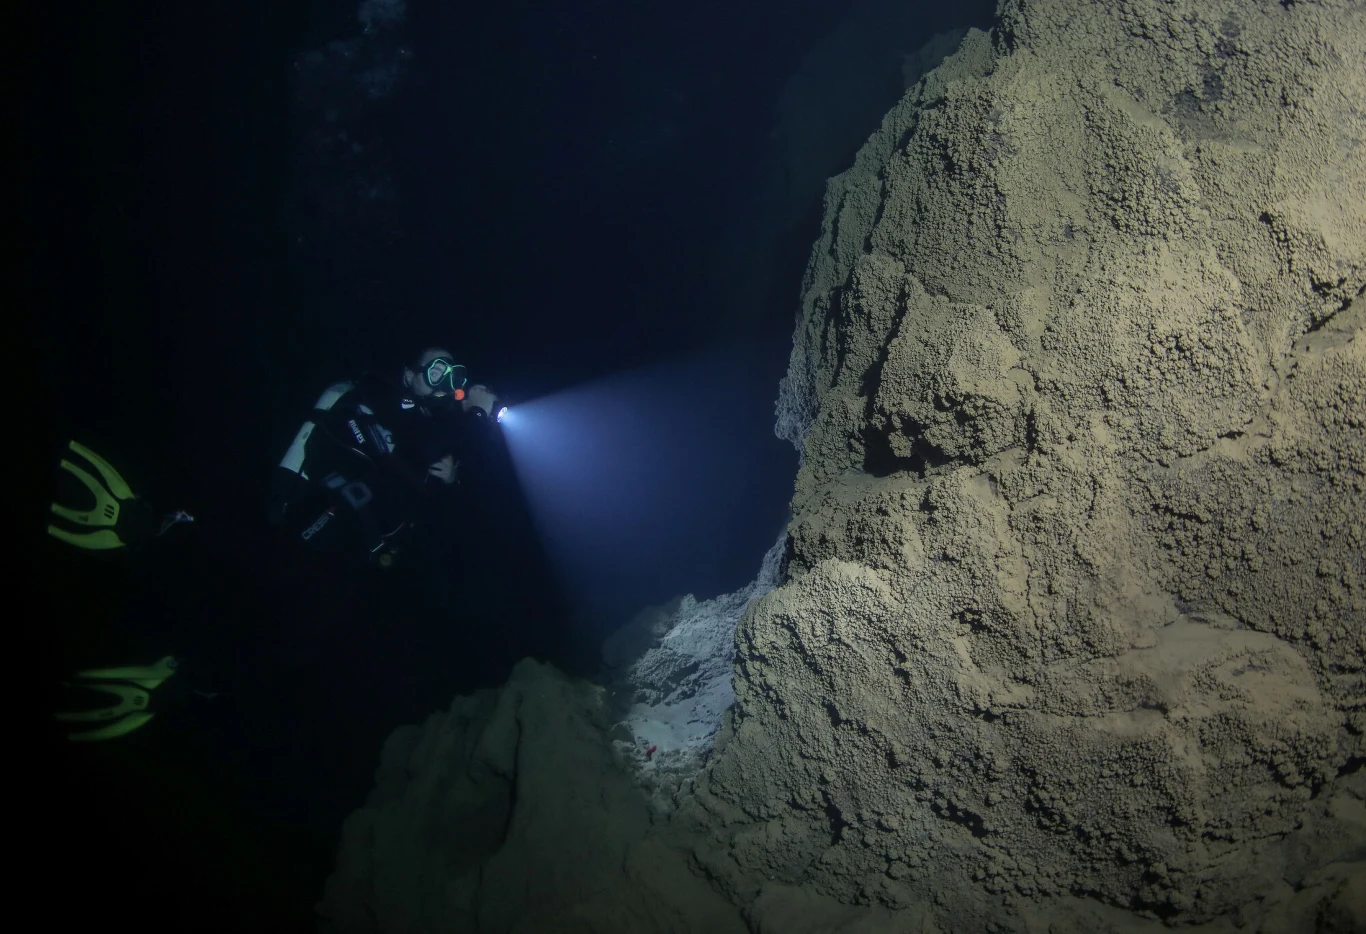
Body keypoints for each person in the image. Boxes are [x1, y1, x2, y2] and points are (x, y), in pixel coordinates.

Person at [266, 346, 500, 568]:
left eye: (454, 377)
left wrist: (451, 479)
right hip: (321, 524)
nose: (445, 385)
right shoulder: (379, 393)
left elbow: (444, 513)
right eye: (436, 372)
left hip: (368, 549)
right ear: (409, 375)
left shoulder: (436, 428)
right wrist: (477, 414)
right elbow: (422, 446)